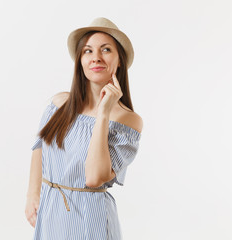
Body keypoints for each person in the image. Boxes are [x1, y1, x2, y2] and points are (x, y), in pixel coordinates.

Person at [25, 17, 143, 240]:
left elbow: (94, 177)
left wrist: (104, 111)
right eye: (88, 51)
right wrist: (32, 193)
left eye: (106, 50)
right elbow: (40, 146)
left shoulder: (128, 121)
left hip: (91, 219)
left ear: (119, 61)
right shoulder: (59, 104)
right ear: (80, 60)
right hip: (51, 212)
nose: (96, 57)